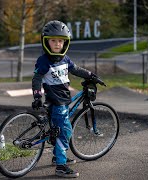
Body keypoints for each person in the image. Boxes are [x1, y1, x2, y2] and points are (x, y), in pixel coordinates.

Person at [31, 20, 98, 178]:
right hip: (56, 102)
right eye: (53, 40)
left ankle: (57, 157)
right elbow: (36, 79)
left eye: (60, 41)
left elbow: (75, 69)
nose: (56, 44)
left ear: (65, 43)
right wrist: (37, 96)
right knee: (66, 131)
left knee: (58, 130)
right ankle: (61, 166)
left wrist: (91, 75)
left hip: (63, 100)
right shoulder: (44, 61)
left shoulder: (65, 59)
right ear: (46, 41)